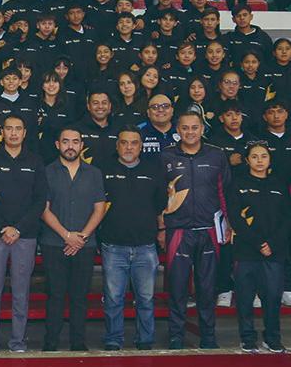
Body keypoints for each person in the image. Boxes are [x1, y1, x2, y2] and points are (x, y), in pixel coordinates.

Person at [161, 111, 231, 349]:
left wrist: (228, 224)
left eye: (194, 127)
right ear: (177, 130)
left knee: (207, 288)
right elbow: (158, 194)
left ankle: (208, 337)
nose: (190, 132)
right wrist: (161, 225)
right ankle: (176, 337)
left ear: (202, 129)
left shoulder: (217, 155)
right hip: (178, 231)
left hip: (209, 230)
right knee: (177, 288)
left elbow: (224, 192)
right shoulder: (166, 156)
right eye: (185, 128)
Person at [0, 114, 47, 354]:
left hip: (24, 236)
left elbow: (40, 200)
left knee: (21, 293)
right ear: (2, 132)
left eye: (18, 129)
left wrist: (18, 228)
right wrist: (3, 227)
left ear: (25, 133)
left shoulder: (35, 161)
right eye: (9, 128)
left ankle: (18, 343)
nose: (14, 133)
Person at [100, 126, 168, 351]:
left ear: (141, 146)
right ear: (117, 145)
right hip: (113, 245)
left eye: (134, 143)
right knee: (113, 299)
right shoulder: (103, 169)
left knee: (146, 299)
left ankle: (145, 340)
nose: (129, 147)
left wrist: (161, 231)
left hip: (145, 246)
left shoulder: (153, 170)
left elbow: (160, 205)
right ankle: (113, 339)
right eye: (124, 142)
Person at [40, 128, 106, 352]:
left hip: (85, 245)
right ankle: (51, 343)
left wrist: (81, 237)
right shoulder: (47, 172)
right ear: (57, 145)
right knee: (55, 295)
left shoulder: (94, 173)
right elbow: (44, 209)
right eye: (66, 141)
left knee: (80, 297)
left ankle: (78, 343)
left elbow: (99, 209)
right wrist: (67, 235)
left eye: (75, 142)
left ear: (81, 145)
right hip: (53, 243)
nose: (70, 146)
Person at [227, 143, 289, 353]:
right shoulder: (238, 184)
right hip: (246, 251)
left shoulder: (279, 185)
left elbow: (286, 219)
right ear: (247, 160)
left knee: (272, 297)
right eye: (254, 156)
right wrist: (258, 243)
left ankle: (272, 338)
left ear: (270, 160)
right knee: (245, 298)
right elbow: (236, 218)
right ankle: (247, 338)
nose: (259, 160)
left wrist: (272, 244)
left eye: (264, 156)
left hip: (274, 252)